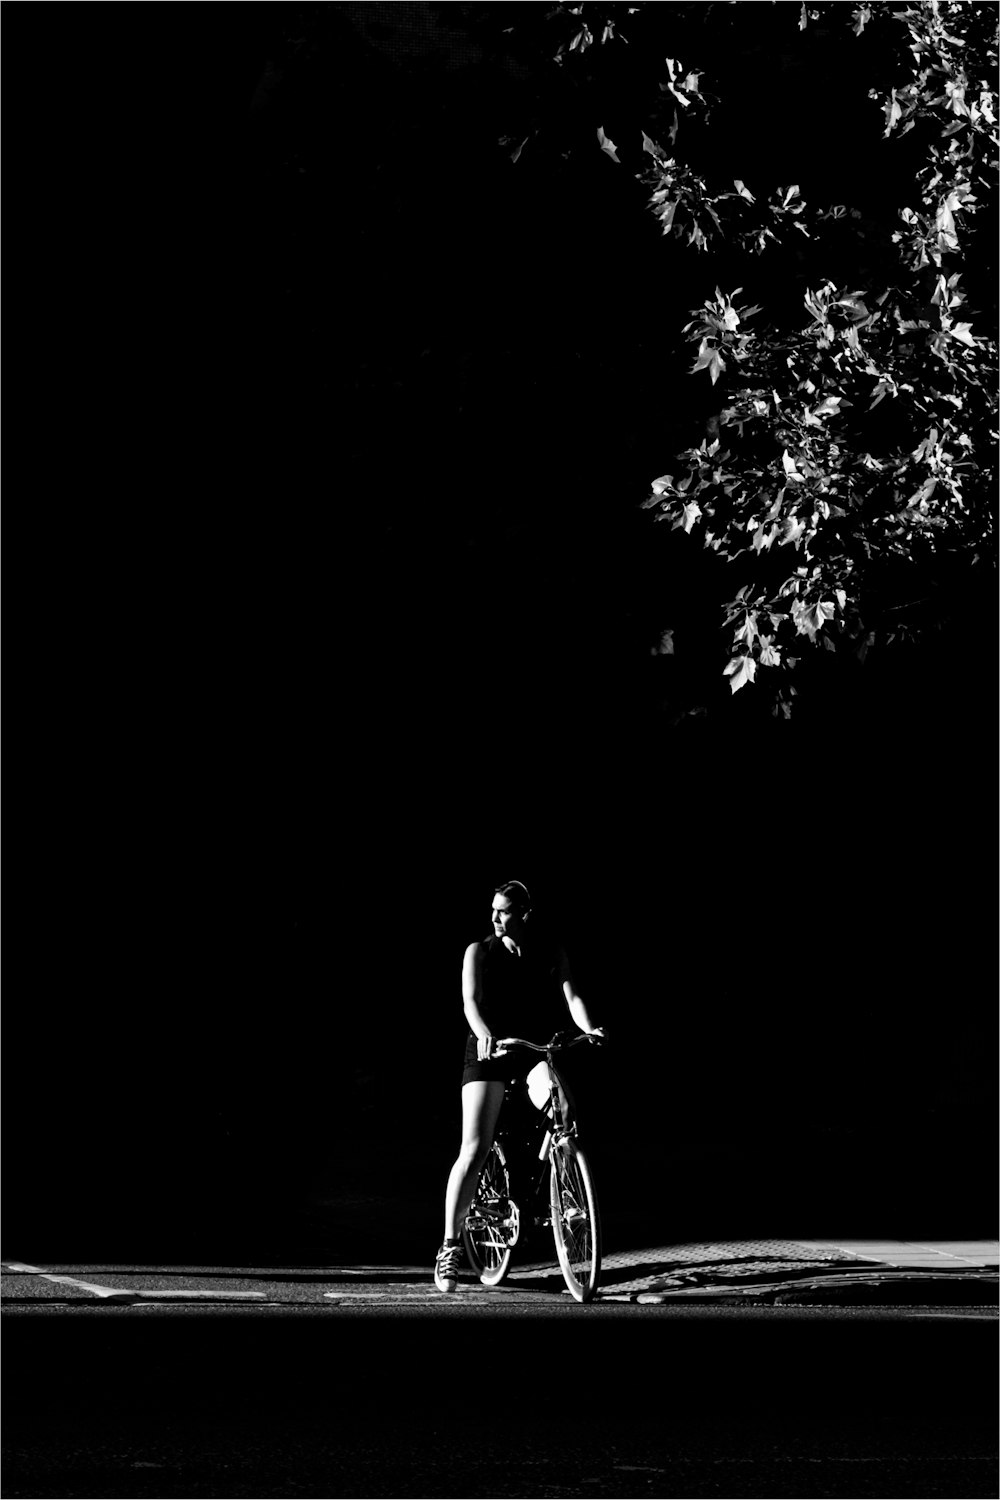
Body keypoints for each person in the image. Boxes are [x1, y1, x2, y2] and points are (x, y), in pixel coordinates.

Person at [434, 880, 604, 1293]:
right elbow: (469, 1002)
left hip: (531, 1049)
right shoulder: (479, 951)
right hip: (489, 1052)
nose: (495, 917)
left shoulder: (550, 950)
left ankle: (564, 1165)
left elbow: (572, 995)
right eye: (492, 909)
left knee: (562, 1106)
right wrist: (485, 1034)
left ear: (525, 913)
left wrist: (588, 1028)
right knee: (474, 1149)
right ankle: (449, 1247)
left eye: (504, 911)